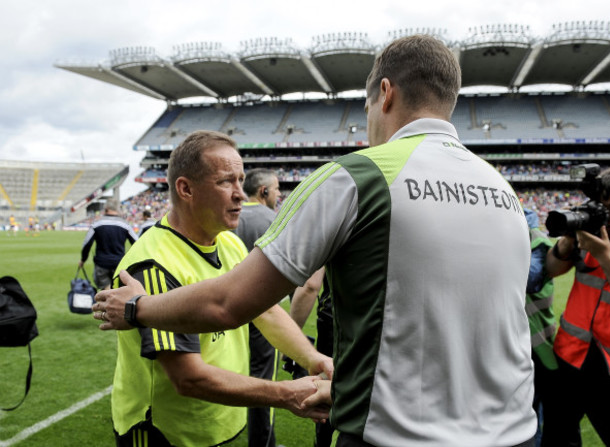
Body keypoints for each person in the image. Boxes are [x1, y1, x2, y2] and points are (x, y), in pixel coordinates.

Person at [94, 35, 537, 447]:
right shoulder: (501, 190)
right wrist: (312, 357)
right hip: (514, 429)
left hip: (398, 432)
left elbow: (230, 305)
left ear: (385, 94)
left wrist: (135, 308)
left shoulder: (358, 176)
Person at [109, 130, 332, 446]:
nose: (241, 193)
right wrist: (285, 394)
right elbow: (188, 378)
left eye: (241, 180)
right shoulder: (152, 265)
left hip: (215, 423)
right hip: (166, 433)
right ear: (186, 189)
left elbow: (265, 311)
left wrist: (312, 357)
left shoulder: (229, 242)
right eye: (226, 181)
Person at [541, 165, 610, 447]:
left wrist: (605, 257)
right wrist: (566, 242)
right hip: (570, 358)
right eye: (602, 208)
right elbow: (552, 270)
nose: (607, 217)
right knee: (558, 439)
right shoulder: (592, 228)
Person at [233, 168, 282, 447]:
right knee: (263, 377)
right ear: (263, 191)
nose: (279, 195)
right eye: (276, 189)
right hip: (263, 312)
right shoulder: (275, 220)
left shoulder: (231, 219)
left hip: (226, 308)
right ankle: (263, 443)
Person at [288, 267, 334, 447]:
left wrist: (290, 345)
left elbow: (310, 284)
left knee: (326, 396)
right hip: (385, 323)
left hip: (337, 324)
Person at [523, 208, 557, 447]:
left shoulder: (538, 241)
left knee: (537, 410)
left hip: (539, 340)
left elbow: (532, 279)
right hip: (521, 339)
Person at [80, 198, 137, 290]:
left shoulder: (97, 224)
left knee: (106, 292)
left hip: (102, 264)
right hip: (119, 264)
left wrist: (83, 259)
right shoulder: (125, 225)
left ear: (106, 208)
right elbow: (137, 242)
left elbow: (87, 244)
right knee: (117, 291)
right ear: (117, 209)